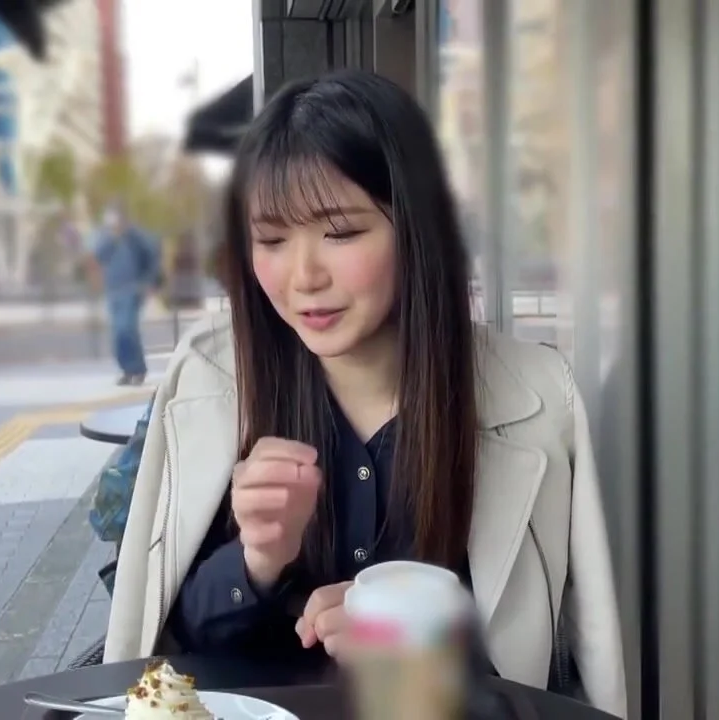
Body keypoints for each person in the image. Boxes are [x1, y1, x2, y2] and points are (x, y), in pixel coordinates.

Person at [101, 70, 626, 716]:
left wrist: (423, 643)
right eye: (271, 240)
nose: (303, 277)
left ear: (416, 227)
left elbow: (570, 667)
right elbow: (173, 642)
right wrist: (257, 558)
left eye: (341, 233)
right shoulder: (209, 381)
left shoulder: (535, 400)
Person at [93, 205, 160, 385]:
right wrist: (112, 237)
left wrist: (149, 282)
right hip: (113, 291)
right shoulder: (106, 237)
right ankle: (126, 370)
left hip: (132, 290)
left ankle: (138, 370)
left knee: (127, 329)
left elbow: (151, 256)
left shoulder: (135, 237)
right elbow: (99, 255)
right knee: (117, 334)